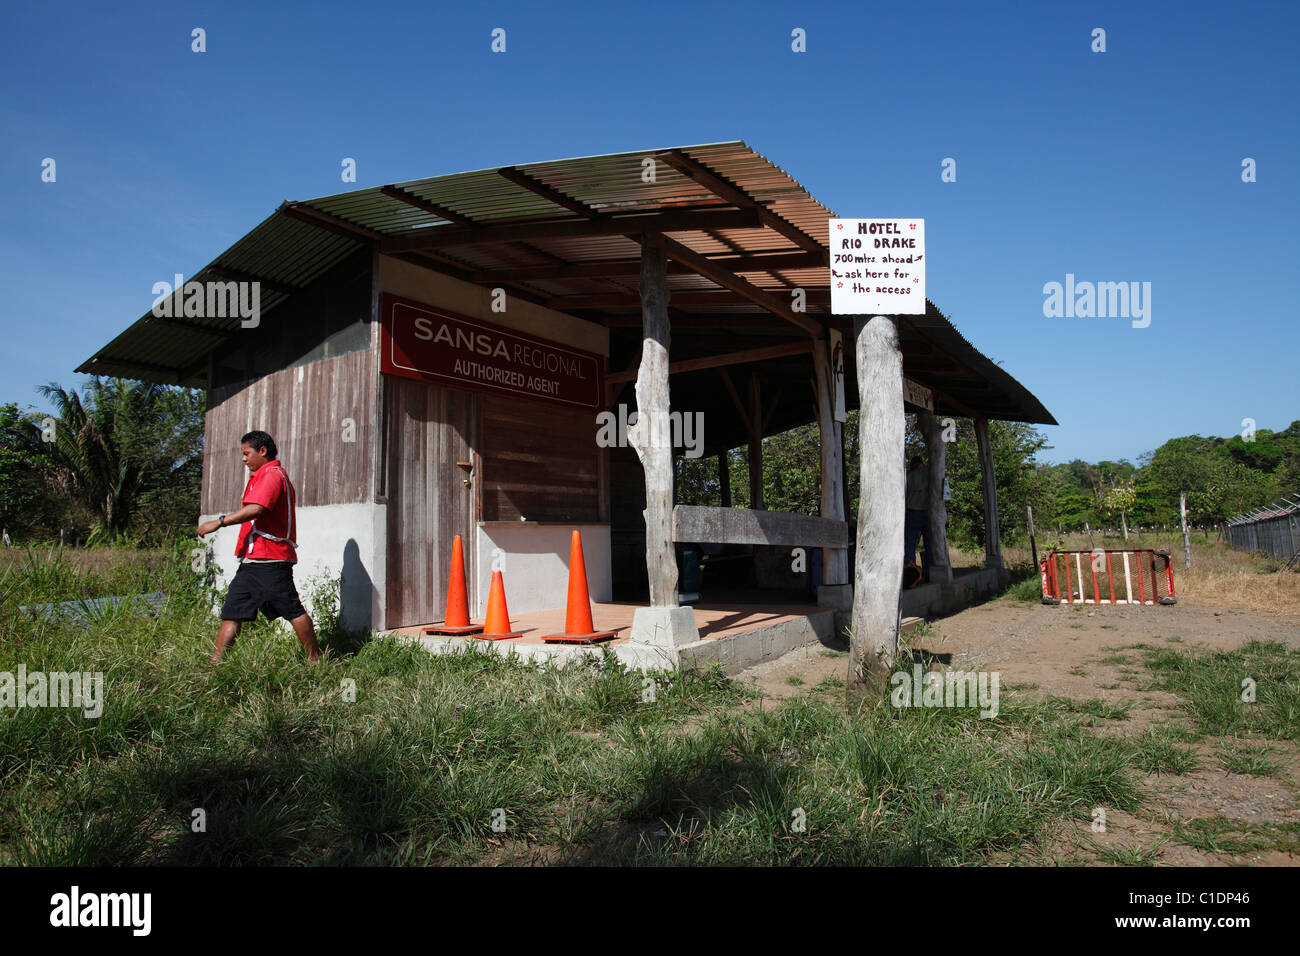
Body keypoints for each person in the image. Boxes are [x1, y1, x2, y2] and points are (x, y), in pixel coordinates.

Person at [196, 430, 320, 663]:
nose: (243, 459)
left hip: (271, 560)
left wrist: (219, 522)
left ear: (262, 451)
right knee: (232, 612)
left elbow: (257, 509)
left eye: (246, 453)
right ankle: (216, 665)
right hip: (252, 562)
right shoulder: (261, 476)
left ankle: (315, 660)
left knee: (292, 610)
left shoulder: (272, 475)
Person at [904, 455, 929, 586]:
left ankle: (911, 575)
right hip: (928, 513)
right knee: (929, 545)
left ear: (913, 465)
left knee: (910, 545)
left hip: (912, 512)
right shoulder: (931, 474)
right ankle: (928, 572)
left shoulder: (909, 476)